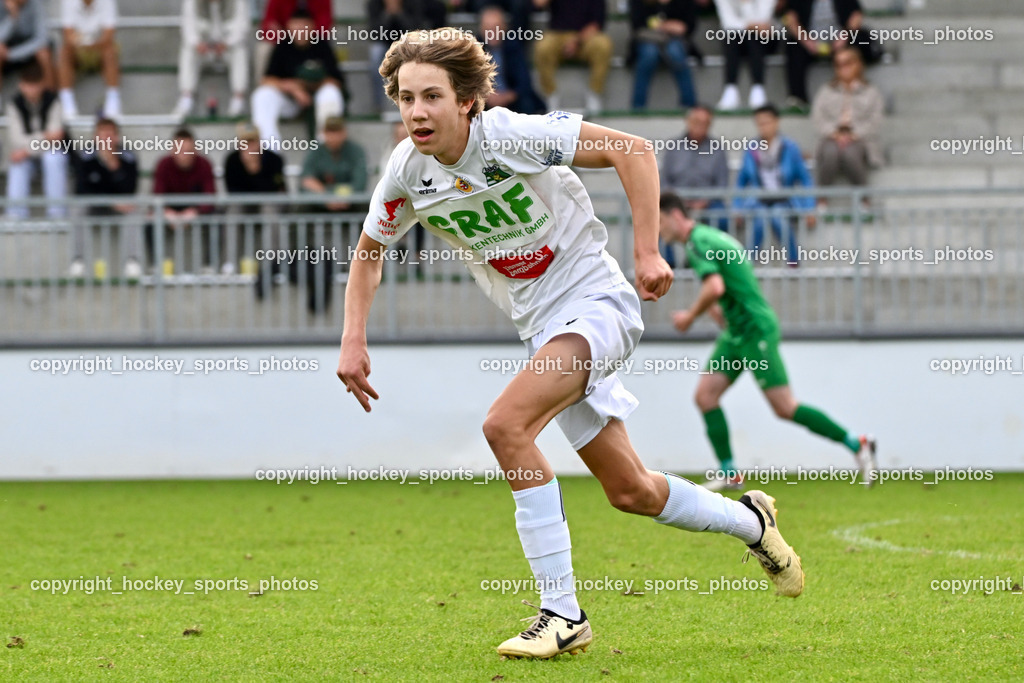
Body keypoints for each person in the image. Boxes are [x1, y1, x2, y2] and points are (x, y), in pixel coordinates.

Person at [337, 28, 805, 660]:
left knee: (505, 425)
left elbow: (633, 150)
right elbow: (369, 253)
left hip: (597, 305)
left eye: (432, 97)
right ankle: (753, 522)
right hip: (543, 328)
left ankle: (561, 613)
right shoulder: (406, 172)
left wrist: (646, 251)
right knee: (631, 491)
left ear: (467, 101)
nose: (416, 111)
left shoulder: (507, 136)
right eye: (405, 98)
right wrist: (353, 339)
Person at [659, 190, 877, 491]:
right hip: (736, 332)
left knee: (784, 407)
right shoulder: (709, 238)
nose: (657, 231)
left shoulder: (698, 243)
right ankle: (730, 473)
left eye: (658, 222)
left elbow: (715, 286)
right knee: (705, 397)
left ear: (675, 215)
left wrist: (689, 316)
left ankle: (858, 443)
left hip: (754, 331)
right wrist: (718, 312)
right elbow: (726, 286)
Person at [734, 104, 815, 264]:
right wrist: (738, 207)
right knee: (759, 220)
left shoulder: (790, 147)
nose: (764, 127)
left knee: (778, 218)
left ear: (776, 122)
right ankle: (747, 265)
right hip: (759, 200)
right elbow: (741, 180)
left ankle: (793, 261)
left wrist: (809, 208)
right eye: (760, 123)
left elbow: (805, 178)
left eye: (767, 122)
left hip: (784, 198)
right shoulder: (751, 148)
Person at [251, 9, 346, 143]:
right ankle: (269, 151)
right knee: (262, 95)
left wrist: (308, 86)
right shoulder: (283, 46)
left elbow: (336, 81)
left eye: (304, 25)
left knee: (331, 93)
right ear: (288, 26)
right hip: (290, 102)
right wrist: (292, 88)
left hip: (317, 100)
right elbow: (267, 80)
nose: (300, 30)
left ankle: (325, 147)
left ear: (313, 26)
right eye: (296, 25)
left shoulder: (322, 45)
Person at [69, 117, 140, 278]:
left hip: (119, 208)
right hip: (95, 206)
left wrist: (115, 167)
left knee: (134, 211)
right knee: (77, 209)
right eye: (102, 135)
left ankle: (132, 261)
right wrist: (110, 202)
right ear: (95, 137)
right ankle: (78, 261)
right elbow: (81, 189)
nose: (106, 139)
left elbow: (130, 190)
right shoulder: (85, 157)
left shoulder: (128, 157)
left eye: (110, 135)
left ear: (117, 137)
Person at [811, 46, 883, 190]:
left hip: (861, 139)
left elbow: (875, 120)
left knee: (850, 154)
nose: (844, 68)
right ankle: (822, 197)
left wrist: (854, 135)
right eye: (839, 64)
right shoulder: (826, 91)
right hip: (832, 136)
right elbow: (818, 116)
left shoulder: (871, 92)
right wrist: (834, 133)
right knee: (830, 153)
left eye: (848, 63)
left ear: (858, 64)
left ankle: (863, 198)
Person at [150, 128, 218, 273]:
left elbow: (210, 196)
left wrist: (196, 212)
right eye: (179, 150)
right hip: (170, 210)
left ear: (195, 150)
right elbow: (156, 196)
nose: (184, 155)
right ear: (172, 150)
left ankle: (209, 265)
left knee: (216, 218)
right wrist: (167, 213)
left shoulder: (204, 164)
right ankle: (155, 264)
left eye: (187, 150)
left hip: (196, 210)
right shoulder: (163, 164)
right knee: (150, 220)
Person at [5, 62, 67, 220]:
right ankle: (15, 215)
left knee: (53, 157)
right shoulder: (14, 104)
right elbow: (17, 140)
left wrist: (27, 149)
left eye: (34, 85)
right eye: (28, 85)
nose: (31, 90)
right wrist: (45, 136)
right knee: (18, 163)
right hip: (28, 156)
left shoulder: (54, 101)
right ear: (21, 85)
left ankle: (57, 214)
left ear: (42, 84)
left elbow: (57, 138)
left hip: (44, 153)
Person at [659, 104, 730, 241]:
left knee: (722, 217)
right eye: (696, 121)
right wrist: (678, 201)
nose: (700, 126)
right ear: (688, 121)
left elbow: (722, 184)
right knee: (663, 220)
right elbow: (665, 182)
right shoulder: (673, 147)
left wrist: (705, 202)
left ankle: (713, 258)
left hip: (709, 205)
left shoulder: (717, 149)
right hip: (676, 204)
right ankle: (670, 262)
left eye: (705, 123)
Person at [224, 121, 286, 275]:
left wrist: (256, 170)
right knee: (233, 212)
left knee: (269, 209)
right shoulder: (231, 160)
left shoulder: (273, 159)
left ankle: (272, 263)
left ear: (259, 142)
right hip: (243, 204)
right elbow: (232, 191)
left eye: (252, 141)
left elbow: (276, 189)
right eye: (245, 142)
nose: (249, 146)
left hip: (268, 202)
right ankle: (231, 263)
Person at [366, 0, 447, 114]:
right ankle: (378, 105)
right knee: (375, 54)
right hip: (383, 43)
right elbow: (374, 33)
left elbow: (415, 29)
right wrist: (387, 14)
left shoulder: (414, 3)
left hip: (407, 42)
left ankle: (414, 100)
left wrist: (399, 13)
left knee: (417, 52)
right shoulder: (374, 4)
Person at [532, 0, 612, 115]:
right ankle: (550, 95)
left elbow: (597, 23)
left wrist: (577, 41)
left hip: (586, 37)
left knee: (603, 45)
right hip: (557, 34)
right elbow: (538, 4)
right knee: (542, 47)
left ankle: (594, 93)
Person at [782, 0, 864, 109]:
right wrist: (807, 41)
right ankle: (798, 98)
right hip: (809, 41)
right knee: (792, 46)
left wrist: (844, 36)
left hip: (840, 40)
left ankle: (856, 91)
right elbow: (790, 18)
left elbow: (856, 15)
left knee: (859, 41)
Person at [175, 0, 251, 118]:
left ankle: (238, 98)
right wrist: (197, 43)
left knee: (240, 49)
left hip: (226, 50)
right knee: (188, 49)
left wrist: (227, 43)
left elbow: (243, 26)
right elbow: (187, 27)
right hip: (204, 50)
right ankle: (186, 97)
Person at [628, 0, 697, 111]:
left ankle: (689, 105)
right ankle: (638, 106)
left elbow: (688, 26)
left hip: (676, 40)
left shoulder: (685, 3)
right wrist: (668, 26)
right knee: (649, 54)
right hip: (648, 39)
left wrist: (660, 25)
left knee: (676, 53)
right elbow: (637, 25)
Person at [58, 0, 122, 119]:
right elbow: (67, 34)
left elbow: (109, 34)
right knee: (65, 52)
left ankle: (113, 102)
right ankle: (67, 104)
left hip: (100, 48)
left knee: (110, 51)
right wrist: (81, 44)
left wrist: (92, 45)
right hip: (78, 49)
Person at [712, 0, 772, 111]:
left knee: (752, 37)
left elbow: (763, 20)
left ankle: (757, 88)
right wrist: (751, 26)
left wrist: (747, 3)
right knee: (732, 36)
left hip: (765, 38)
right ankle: (731, 89)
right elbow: (727, 23)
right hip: (736, 38)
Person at [300, 116, 368, 211]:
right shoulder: (315, 151)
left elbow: (360, 183)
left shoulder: (355, 150)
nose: (334, 137)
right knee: (301, 208)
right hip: (320, 204)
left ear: (344, 132)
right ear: (323, 133)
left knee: (367, 209)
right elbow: (306, 181)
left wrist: (342, 197)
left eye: (337, 132)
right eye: (330, 132)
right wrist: (326, 198)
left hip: (350, 203)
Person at [0, 0, 54, 96]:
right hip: (7, 48)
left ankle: (49, 101)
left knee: (44, 53)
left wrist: (12, 54)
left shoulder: (36, 4)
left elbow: (42, 38)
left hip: (28, 49)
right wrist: (12, 17)